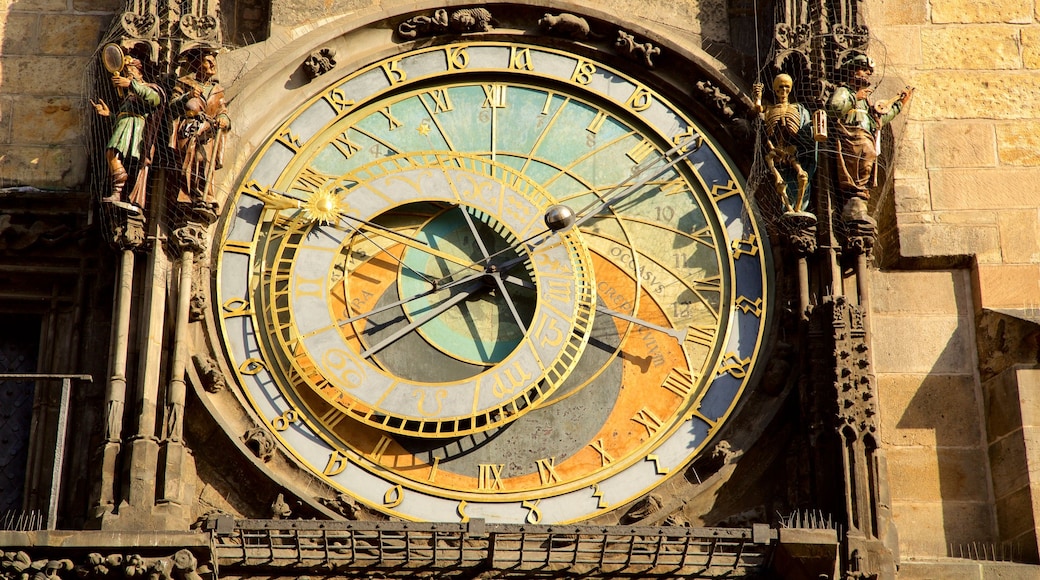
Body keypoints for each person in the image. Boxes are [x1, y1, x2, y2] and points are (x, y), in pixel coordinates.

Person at [827, 53, 914, 221]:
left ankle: (859, 196)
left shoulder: (866, 100)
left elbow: (877, 121)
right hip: (850, 136)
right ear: (852, 72)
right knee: (858, 161)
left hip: (866, 137)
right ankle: (853, 200)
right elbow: (834, 108)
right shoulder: (845, 91)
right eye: (863, 69)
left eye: (868, 71)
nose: (867, 73)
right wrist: (854, 97)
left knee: (868, 161)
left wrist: (899, 104)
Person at [90, 58, 162, 209]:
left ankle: (118, 192)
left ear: (139, 72)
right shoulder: (129, 96)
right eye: (125, 73)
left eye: (130, 72)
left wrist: (131, 84)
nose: (127, 75)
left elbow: (154, 99)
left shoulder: (149, 87)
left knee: (112, 153)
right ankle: (117, 192)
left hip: (134, 126)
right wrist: (109, 114)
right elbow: (123, 115)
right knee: (112, 154)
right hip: (124, 124)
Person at [169, 50, 231, 211]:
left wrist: (224, 119)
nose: (212, 64)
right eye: (207, 61)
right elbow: (172, 106)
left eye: (213, 61)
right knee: (189, 161)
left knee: (204, 160)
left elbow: (222, 110)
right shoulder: (184, 83)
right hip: (189, 128)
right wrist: (187, 96)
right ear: (197, 64)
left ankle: (205, 196)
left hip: (208, 130)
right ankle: (187, 196)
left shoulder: (217, 89)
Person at [755, 73, 819, 213]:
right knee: (775, 170)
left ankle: (798, 207)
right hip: (775, 149)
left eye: (786, 87)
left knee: (802, 175)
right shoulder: (770, 108)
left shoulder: (799, 109)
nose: (783, 91)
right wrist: (758, 97)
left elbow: (804, 129)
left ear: (790, 89)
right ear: (775, 90)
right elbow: (758, 109)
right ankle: (788, 206)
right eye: (780, 88)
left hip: (792, 149)